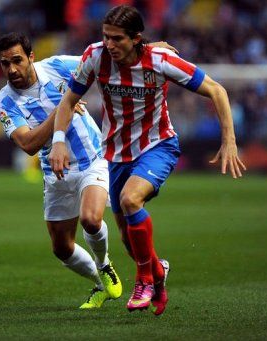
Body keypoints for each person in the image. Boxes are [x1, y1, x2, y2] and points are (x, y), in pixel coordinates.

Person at [49, 5, 247, 315]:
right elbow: (67, 102)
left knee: (130, 200)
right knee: (130, 241)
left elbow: (216, 90)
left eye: (116, 39)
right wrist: (58, 142)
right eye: (105, 37)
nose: (109, 45)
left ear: (136, 39)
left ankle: (143, 280)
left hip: (158, 145)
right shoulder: (95, 56)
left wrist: (230, 140)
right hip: (115, 154)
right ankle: (157, 273)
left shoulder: (160, 60)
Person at [0, 32, 122, 309]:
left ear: (31, 57)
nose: (12, 69)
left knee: (91, 218)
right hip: (56, 173)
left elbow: (102, 59)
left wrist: (143, 48)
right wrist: (65, 107)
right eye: (5, 64)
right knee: (62, 248)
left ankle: (105, 265)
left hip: (93, 159)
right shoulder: (4, 102)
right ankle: (100, 285)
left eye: (17, 60)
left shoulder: (58, 66)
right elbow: (28, 143)